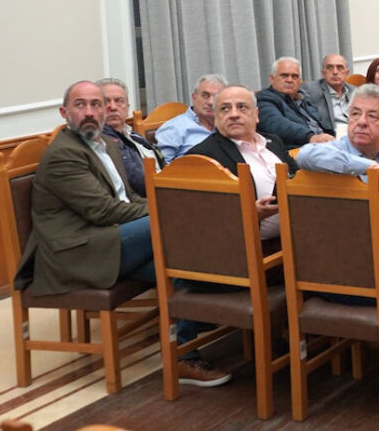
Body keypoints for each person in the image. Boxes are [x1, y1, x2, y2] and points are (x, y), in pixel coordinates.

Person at [13, 81, 229, 387]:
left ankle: (183, 355)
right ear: (64, 112)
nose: (90, 112)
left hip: (110, 238)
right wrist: (168, 209)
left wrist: (164, 208)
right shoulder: (64, 154)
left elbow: (129, 199)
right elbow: (104, 211)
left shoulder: (106, 144)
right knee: (177, 224)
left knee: (182, 263)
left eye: (96, 104)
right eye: (80, 105)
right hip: (78, 253)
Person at [187, 85, 299, 241]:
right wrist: (249, 213)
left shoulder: (274, 142)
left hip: (297, 235)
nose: (234, 114)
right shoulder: (202, 156)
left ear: (256, 115)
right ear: (216, 118)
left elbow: (297, 176)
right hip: (249, 246)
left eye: (242, 107)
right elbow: (199, 216)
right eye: (225, 109)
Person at [97, 77, 165, 197]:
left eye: (119, 101)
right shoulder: (101, 141)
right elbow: (138, 182)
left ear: (127, 107)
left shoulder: (133, 135)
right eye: (106, 102)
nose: (113, 107)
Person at [257, 56, 336, 149]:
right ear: (272, 78)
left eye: (294, 76)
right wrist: (310, 137)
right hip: (298, 148)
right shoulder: (264, 99)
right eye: (284, 75)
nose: (290, 80)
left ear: (299, 81)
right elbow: (278, 125)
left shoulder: (303, 98)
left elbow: (320, 124)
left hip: (323, 144)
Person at [155, 74, 226, 162]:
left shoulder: (228, 125)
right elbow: (161, 166)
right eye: (205, 96)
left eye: (216, 97)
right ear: (194, 97)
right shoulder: (174, 128)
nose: (211, 102)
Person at [301, 54, 356, 128]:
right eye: (330, 68)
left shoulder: (355, 92)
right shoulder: (310, 90)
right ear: (323, 73)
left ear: (347, 73)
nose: (335, 72)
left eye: (340, 67)